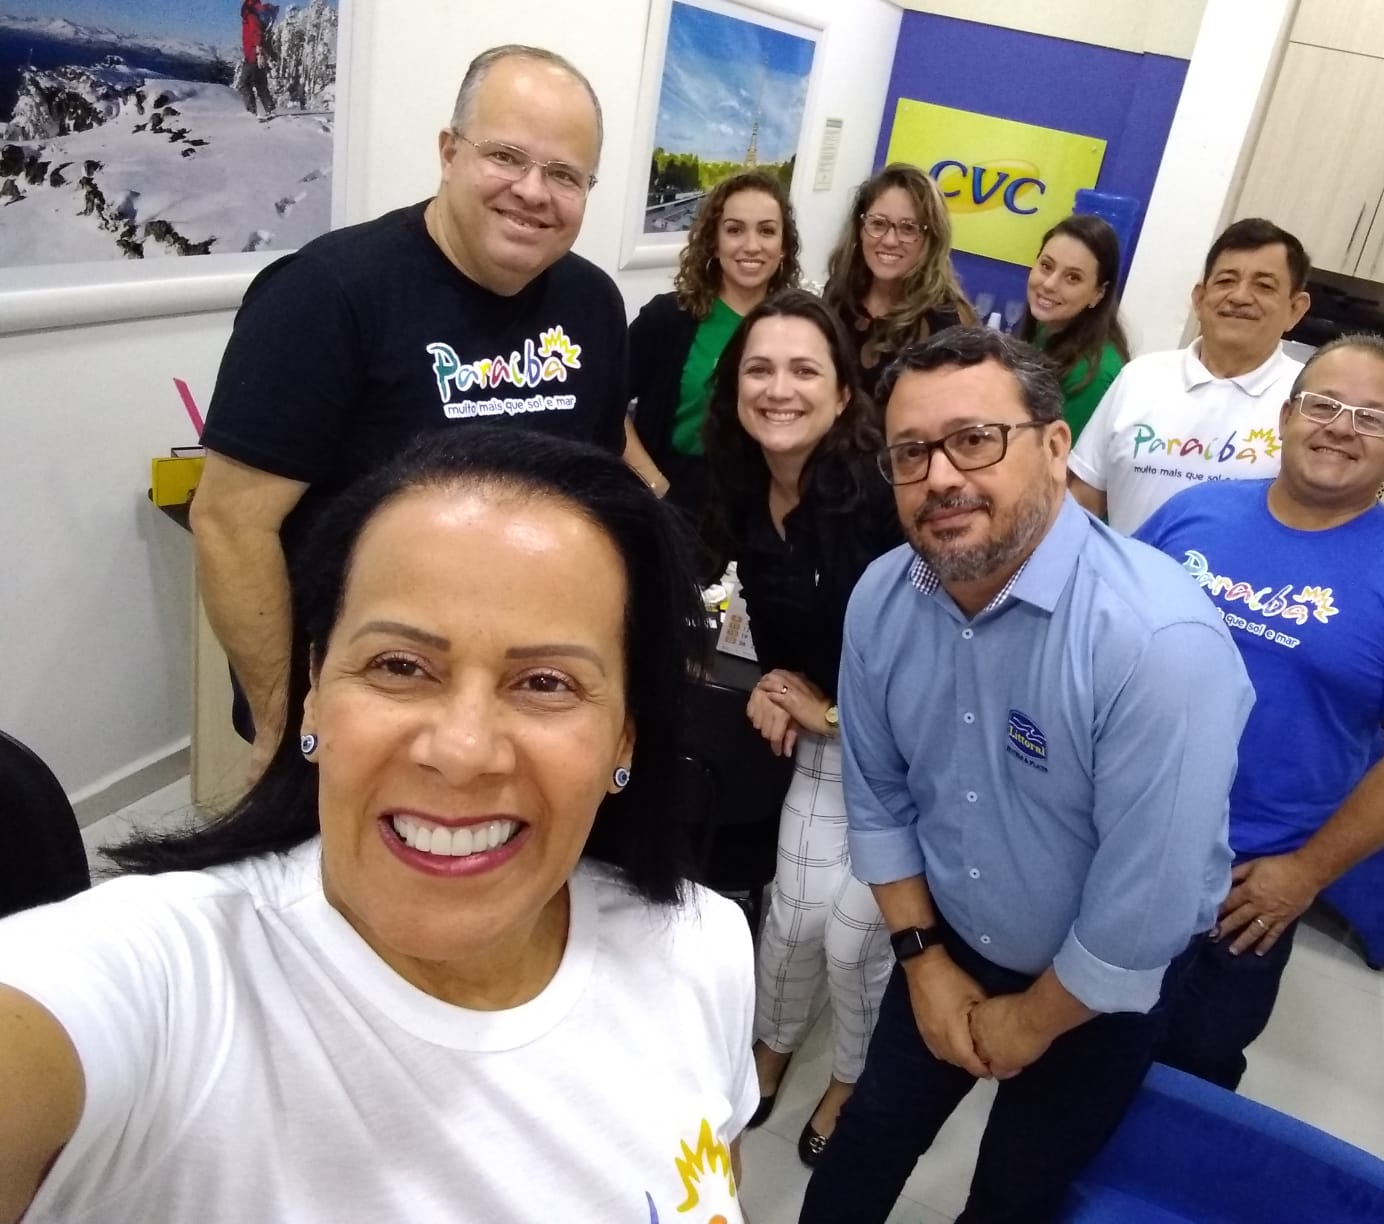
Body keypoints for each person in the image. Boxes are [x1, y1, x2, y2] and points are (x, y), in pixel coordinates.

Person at [0, 426, 756, 1223]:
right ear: (313, 693)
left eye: (545, 682)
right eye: (400, 666)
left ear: (625, 738)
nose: (461, 752)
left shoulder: (700, 947)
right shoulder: (169, 986)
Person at [799, 327, 1254, 1224]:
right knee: (866, 1141)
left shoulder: (1158, 643)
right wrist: (923, 961)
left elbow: (1146, 904)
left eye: (975, 440)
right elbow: (879, 797)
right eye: (910, 453)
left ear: (1054, 447)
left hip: (1099, 994)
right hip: (945, 936)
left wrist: (1032, 1021)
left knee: (1014, 1195)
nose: (940, 476)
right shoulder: (883, 597)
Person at [193, 45, 630, 774]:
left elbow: (594, 500)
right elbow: (230, 523)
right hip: (357, 711)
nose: (533, 191)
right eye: (506, 156)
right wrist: (283, 724)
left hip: (522, 703)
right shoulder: (325, 295)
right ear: (449, 152)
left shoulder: (594, 304)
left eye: (564, 174)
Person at [1136, 335, 1384, 1090]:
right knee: (1068, 1042)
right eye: (1323, 405)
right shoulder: (1194, 514)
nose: (1341, 428)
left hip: (1245, 886)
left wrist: (1306, 873)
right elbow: (1104, 636)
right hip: (1121, 832)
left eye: (1373, 417)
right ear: (1287, 415)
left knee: (1184, 1078)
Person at [698, 290, 901, 1168]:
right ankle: (773, 1045)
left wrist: (822, 710)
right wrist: (766, 684)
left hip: (911, 756)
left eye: (804, 370)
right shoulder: (741, 485)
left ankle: (852, 1076)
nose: (779, 389)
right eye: (760, 369)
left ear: (844, 393)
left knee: (853, 938)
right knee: (790, 922)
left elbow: (938, 663)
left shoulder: (885, 502)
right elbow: (742, 613)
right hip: (826, 743)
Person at [1068, 217, 1312, 534]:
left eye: (1264, 286)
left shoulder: (1311, 402)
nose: (1239, 297)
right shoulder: (1140, 378)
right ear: (1199, 298)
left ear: (1295, 309)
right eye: (1226, 281)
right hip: (1121, 566)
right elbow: (1082, 502)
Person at [625, 171, 802, 517]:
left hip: (764, 504)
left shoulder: (800, 328)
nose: (752, 245)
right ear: (714, 241)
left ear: (783, 247)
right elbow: (608, 402)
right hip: (676, 497)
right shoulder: (668, 318)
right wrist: (655, 486)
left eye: (766, 231)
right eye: (735, 230)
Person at [823, 162, 973, 400]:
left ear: (931, 238)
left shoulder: (947, 323)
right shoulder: (839, 293)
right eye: (878, 224)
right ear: (860, 228)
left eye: (908, 228)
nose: (890, 240)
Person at [1015, 213, 1131, 441]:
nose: (1049, 284)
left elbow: (1055, 459)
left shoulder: (1093, 374)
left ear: (1099, 293)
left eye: (1073, 278)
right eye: (1046, 266)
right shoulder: (1046, 331)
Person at [239, 0, 277, 117]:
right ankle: (270, 109)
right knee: (260, 83)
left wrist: (258, 51)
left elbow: (257, 32)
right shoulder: (255, 12)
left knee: (244, 83)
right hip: (256, 53)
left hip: (253, 54)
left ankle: (251, 112)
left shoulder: (251, 14)